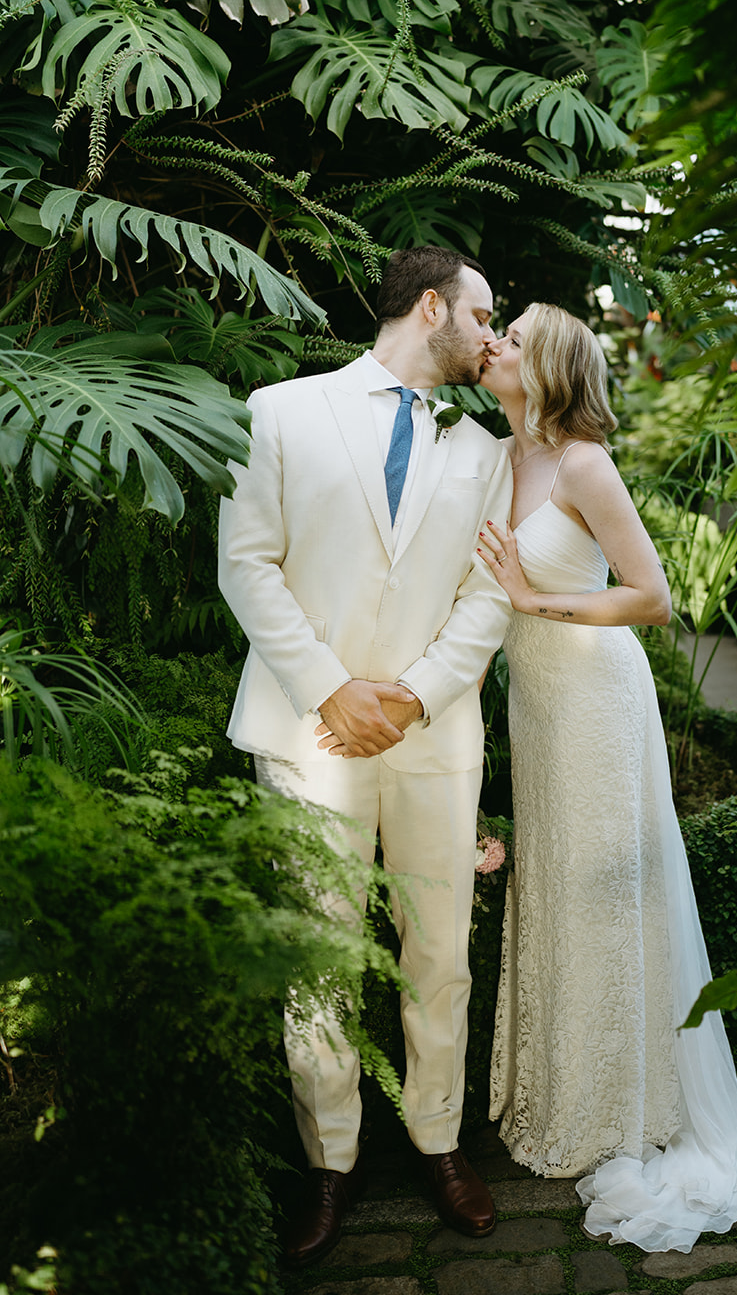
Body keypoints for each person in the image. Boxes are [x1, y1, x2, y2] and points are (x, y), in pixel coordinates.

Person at [217, 247, 513, 1269]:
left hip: (434, 736)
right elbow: (246, 564)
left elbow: (489, 595)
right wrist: (331, 690)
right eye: (484, 315)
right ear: (432, 307)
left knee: (438, 952)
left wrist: (416, 694)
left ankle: (438, 1141)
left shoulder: (486, 452)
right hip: (311, 732)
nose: (492, 336)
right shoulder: (278, 412)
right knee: (318, 953)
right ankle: (329, 1160)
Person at [476, 302, 737, 1254]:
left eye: (513, 337)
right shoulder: (496, 455)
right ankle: (559, 1092)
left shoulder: (582, 464)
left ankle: (618, 1108)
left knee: (603, 893)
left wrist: (532, 598)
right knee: (554, 886)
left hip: (597, 700)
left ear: (548, 367)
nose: (495, 343)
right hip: (537, 706)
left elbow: (651, 598)